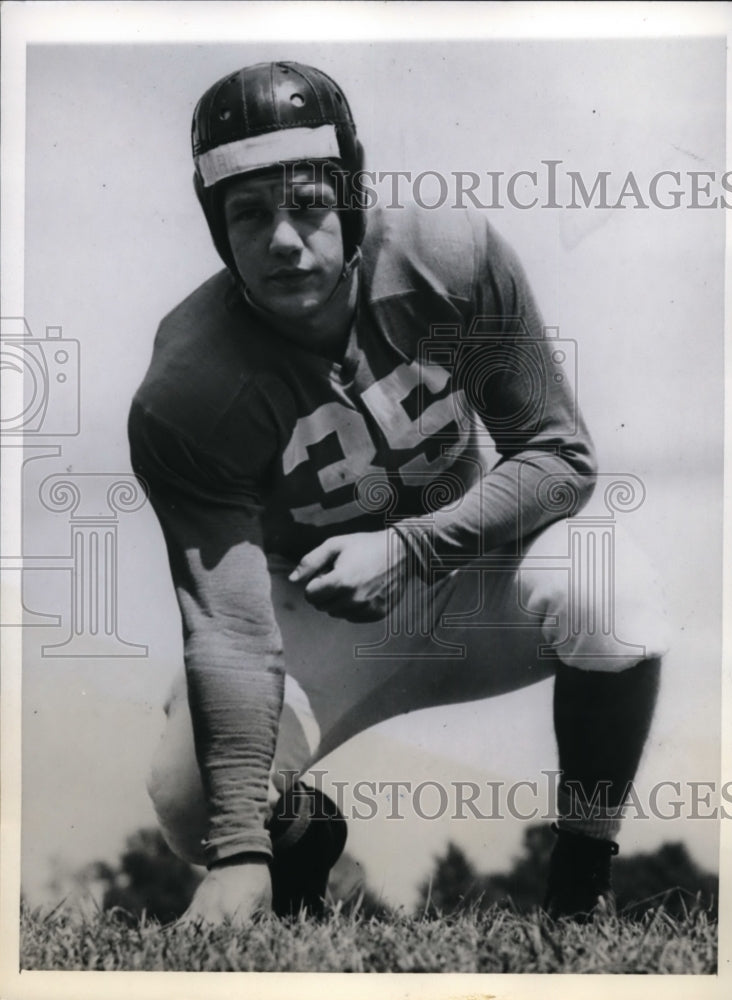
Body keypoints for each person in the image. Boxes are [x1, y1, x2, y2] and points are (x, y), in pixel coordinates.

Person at [128, 61, 669, 927]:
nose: (281, 239)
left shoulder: (444, 260)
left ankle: (578, 883)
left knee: (616, 588)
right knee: (192, 806)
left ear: (350, 194)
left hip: (465, 572)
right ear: (216, 229)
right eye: (249, 213)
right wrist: (237, 853)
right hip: (309, 608)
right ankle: (298, 842)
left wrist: (414, 545)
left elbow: (560, 455)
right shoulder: (188, 387)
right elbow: (227, 622)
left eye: (307, 202)